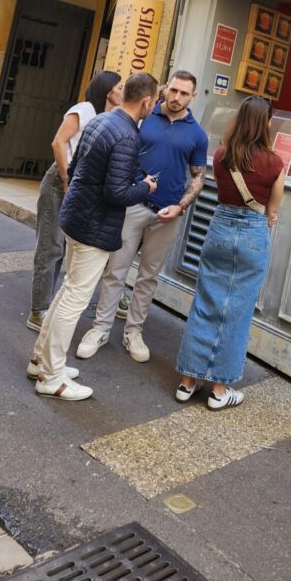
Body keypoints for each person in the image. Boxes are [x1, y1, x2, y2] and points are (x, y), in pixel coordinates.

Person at [28, 72, 159, 401]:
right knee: (74, 300)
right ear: (145, 101)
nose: (153, 106)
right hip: (95, 226)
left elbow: (75, 168)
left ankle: (40, 360)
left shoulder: (101, 120)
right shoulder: (128, 135)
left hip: (76, 216)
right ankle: (52, 376)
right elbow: (117, 192)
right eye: (153, 101)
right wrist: (146, 187)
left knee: (66, 292)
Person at [76, 70, 208, 364]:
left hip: (168, 213)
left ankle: (133, 332)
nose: (176, 98)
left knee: (148, 277)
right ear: (164, 89)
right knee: (116, 270)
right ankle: (100, 328)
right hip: (133, 204)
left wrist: (182, 206)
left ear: (193, 96)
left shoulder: (197, 134)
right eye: (173, 90)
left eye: (184, 93)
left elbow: (199, 177)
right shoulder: (144, 116)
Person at [175, 96, 285, 410]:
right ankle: (219, 391)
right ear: (265, 122)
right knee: (236, 312)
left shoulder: (222, 155)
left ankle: (187, 382)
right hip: (252, 233)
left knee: (206, 302)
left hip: (220, 228)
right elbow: (274, 208)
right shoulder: (275, 163)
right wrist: (269, 216)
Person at [27, 70, 123, 331]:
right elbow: (59, 142)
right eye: (120, 86)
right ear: (108, 91)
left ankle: (50, 304)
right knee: (50, 247)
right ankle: (38, 312)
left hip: (78, 185)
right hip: (61, 181)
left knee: (64, 249)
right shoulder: (84, 109)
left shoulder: (109, 117)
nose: (123, 90)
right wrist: (66, 177)